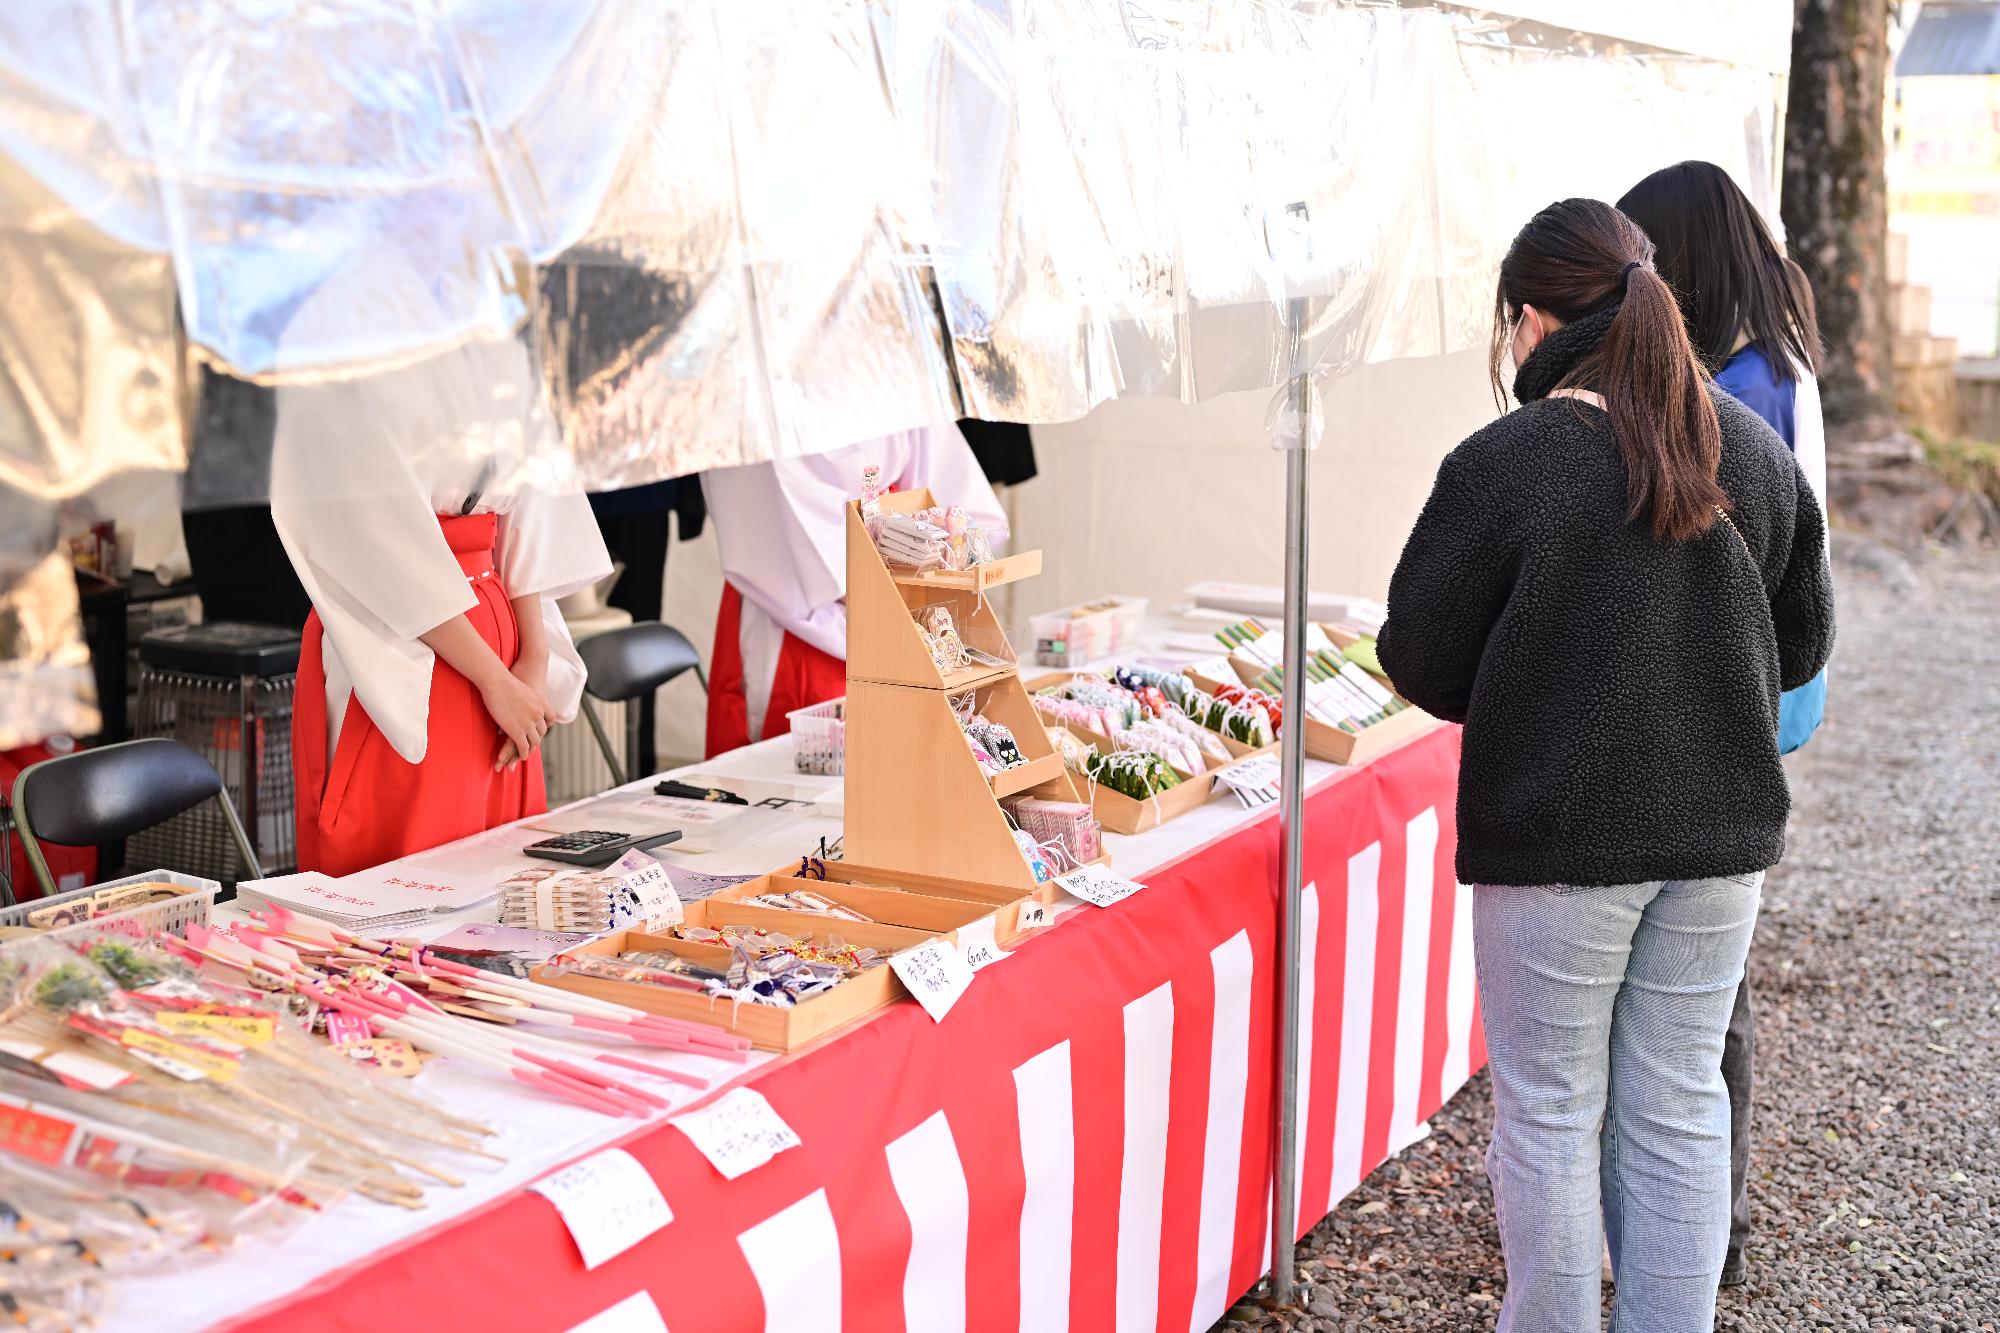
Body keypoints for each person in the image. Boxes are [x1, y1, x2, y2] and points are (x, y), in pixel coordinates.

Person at [1376, 198, 1834, 1331]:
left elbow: (1419, 656)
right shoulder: (1753, 450)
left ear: (1529, 323)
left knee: (1547, 1110)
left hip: (1556, 837)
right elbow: (1804, 640)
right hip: (1720, 840)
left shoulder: (1505, 462)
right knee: (1676, 1102)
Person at [1618, 158, 1830, 1289]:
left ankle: (1706, 1231)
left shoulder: (1739, 390)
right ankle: (1702, 1224)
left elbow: (1707, 571)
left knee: (1702, 996)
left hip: (1730, 702)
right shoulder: (1774, 353)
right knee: (1706, 984)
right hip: (1767, 693)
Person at [272, 333, 612, 877]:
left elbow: (533, 505)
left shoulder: (494, 340)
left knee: (502, 862)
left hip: (497, 627)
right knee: (407, 864)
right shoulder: (347, 352)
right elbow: (372, 535)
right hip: (400, 632)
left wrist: (533, 658)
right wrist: (498, 680)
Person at [699, 425, 1004, 756]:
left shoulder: (893, 377)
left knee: (900, 757)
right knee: (800, 761)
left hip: (902, 576)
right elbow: (756, 508)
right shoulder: (763, 394)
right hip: (794, 602)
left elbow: (949, 485)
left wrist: (921, 546)